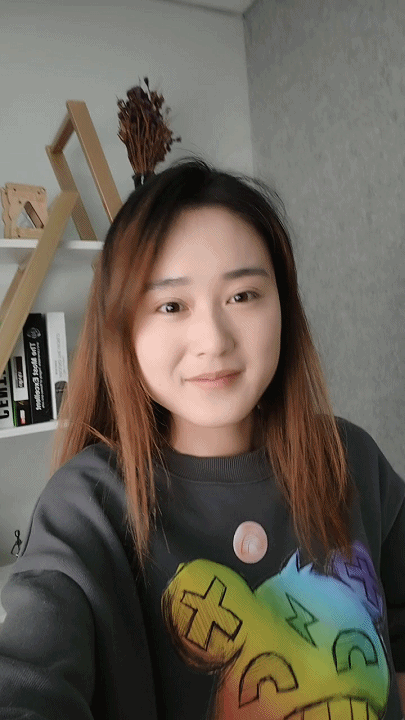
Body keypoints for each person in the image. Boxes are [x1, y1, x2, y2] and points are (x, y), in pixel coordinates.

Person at [0, 156, 404, 720]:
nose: (212, 340)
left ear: (283, 306)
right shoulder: (88, 506)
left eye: (243, 296)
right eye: (171, 305)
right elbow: (29, 677)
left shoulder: (350, 458)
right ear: (122, 327)